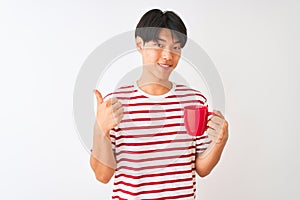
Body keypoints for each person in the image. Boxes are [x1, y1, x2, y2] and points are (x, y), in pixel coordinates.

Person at [90, 9, 229, 200]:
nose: (167, 56)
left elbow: (202, 169)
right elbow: (102, 175)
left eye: (176, 47)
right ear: (139, 44)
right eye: (158, 45)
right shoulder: (116, 103)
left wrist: (220, 140)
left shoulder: (195, 102)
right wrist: (100, 129)